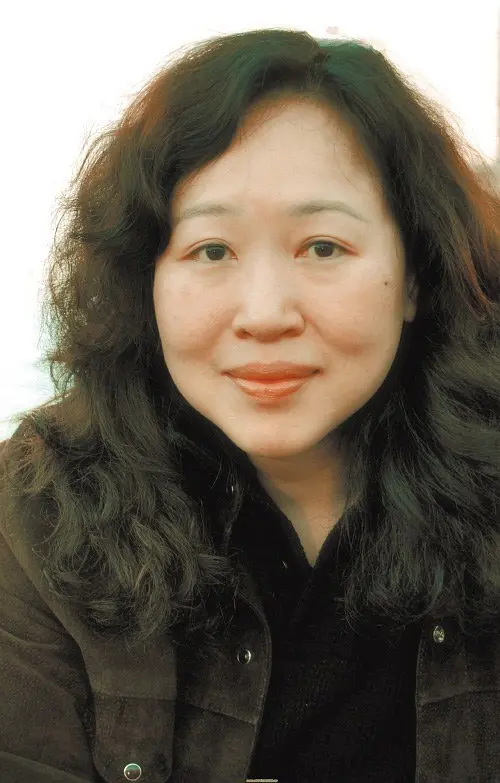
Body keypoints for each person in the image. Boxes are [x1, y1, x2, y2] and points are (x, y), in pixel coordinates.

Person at [1, 27, 499, 783]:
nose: (264, 313)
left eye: (323, 247)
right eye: (212, 250)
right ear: (146, 283)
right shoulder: (37, 509)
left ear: (416, 277)